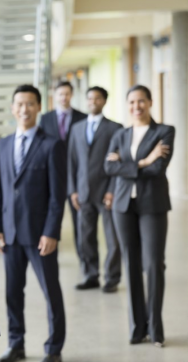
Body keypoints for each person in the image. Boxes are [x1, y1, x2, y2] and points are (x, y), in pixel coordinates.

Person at [0, 85, 66, 362]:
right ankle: (16, 344)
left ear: (39, 107)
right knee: (13, 294)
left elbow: (58, 197)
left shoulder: (52, 145)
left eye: (30, 104)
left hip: (40, 236)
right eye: (20, 104)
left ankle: (54, 348)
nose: (24, 109)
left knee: (51, 293)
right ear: (13, 109)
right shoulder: (4, 144)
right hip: (10, 234)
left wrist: (51, 231)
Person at [104, 85, 174, 348]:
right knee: (131, 264)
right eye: (132, 101)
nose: (137, 106)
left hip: (152, 205)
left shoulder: (164, 132)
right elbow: (108, 166)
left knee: (154, 264)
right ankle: (137, 327)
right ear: (127, 105)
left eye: (141, 101)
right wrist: (143, 161)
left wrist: (127, 165)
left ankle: (156, 329)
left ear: (150, 102)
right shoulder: (121, 134)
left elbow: (159, 167)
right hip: (123, 205)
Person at [68, 86, 122, 292]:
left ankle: (112, 278)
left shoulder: (116, 128)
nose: (93, 102)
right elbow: (72, 161)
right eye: (90, 98)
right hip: (82, 193)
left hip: (107, 192)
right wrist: (73, 190)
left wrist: (112, 190)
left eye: (97, 98)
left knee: (112, 239)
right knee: (85, 238)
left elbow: (118, 162)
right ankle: (91, 275)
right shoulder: (77, 128)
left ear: (104, 101)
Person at [40, 81, 87, 255]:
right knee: (51, 217)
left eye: (67, 94)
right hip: (53, 175)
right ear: (55, 95)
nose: (64, 97)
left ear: (72, 95)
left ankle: (83, 258)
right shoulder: (46, 118)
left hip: (75, 175)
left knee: (80, 222)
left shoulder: (83, 118)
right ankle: (50, 253)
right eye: (61, 94)